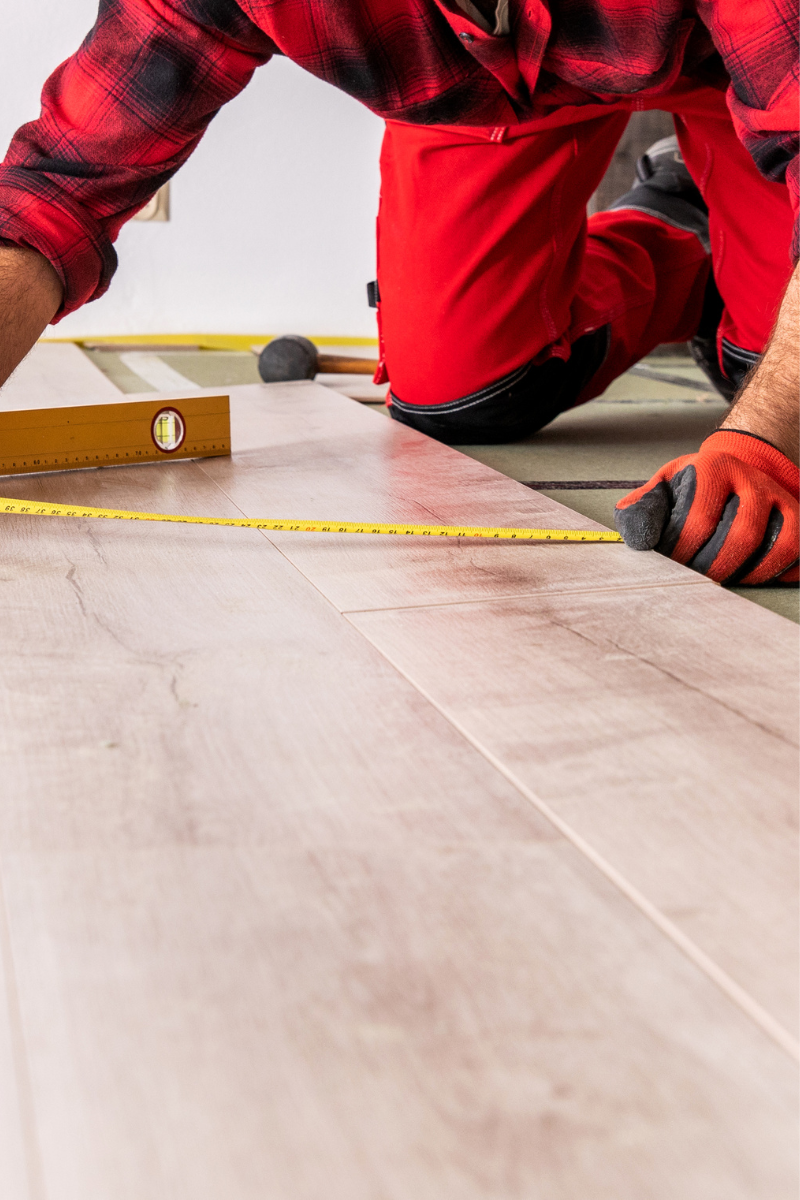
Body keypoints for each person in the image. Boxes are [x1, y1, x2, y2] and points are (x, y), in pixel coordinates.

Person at [0, 0, 796, 584]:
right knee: (460, 397)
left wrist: (766, 440)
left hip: (735, 79)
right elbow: (58, 188)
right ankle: (679, 233)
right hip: (484, 105)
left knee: (761, 374)